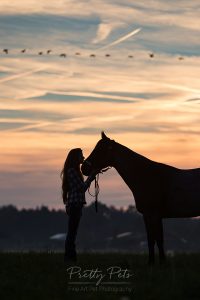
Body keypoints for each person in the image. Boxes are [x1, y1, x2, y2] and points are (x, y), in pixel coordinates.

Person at [60, 148, 98, 263]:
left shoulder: (73, 170)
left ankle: (70, 257)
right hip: (75, 205)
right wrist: (91, 177)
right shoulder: (72, 171)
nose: (83, 157)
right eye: (81, 155)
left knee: (72, 232)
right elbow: (82, 188)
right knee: (72, 233)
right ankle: (69, 257)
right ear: (75, 157)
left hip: (75, 205)